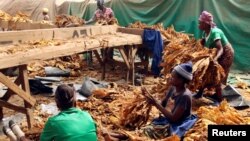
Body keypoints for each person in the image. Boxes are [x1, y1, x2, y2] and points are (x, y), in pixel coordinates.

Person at [3, 84, 97, 141]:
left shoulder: (53, 122)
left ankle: (18, 136)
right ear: (75, 101)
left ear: (57, 103)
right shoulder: (87, 116)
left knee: (24, 139)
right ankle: (15, 135)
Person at [141, 62, 196, 139]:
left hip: (177, 123)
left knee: (147, 131)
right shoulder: (173, 88)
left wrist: (156, 103)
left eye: (173, 77)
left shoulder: (185, 96)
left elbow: (174, 118)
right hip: (168, 119)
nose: (170, 78)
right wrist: (149, 98)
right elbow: (163, 104)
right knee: (146, 128)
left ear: (181, 80)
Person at [194, 11, 234, 102]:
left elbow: (221, 49)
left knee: (217, 74)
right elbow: (203, 43)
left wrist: (215, 60)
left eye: (201, 22)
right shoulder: (205, 33)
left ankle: (219, 98)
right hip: (216, 53)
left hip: (226, 54)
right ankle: (200, 92)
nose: (199, 24)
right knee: (206, 72)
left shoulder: (215, 32)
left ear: (206, 24)